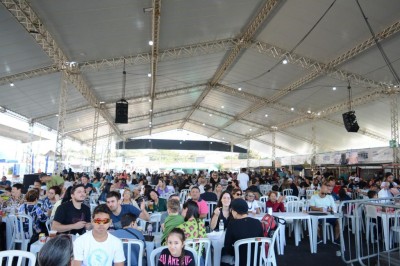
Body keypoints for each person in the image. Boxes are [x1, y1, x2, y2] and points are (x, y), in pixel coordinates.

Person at [223, 198, 263, 266]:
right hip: (256, 260)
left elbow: (227, 247)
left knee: (223, 256)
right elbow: (260, 243)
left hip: (239, 261)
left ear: (234, 212)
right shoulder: (257, 222)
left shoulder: (232, 225)